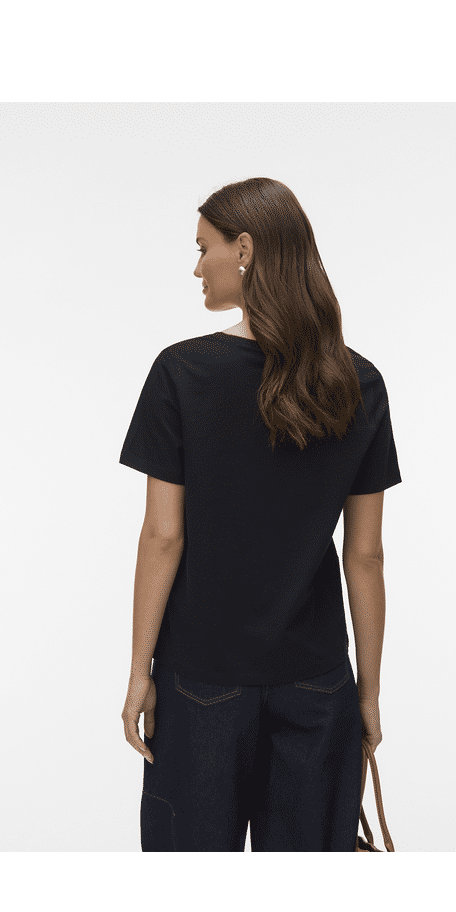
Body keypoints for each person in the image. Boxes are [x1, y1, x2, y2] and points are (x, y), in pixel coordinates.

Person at [119, 177, 401, 851]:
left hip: (199, 681)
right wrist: (367, 693)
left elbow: (163, 536)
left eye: (203, 248)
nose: (197, 268)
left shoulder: (182, 373)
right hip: (317, 685)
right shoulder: (358, 383)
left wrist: (138, 673)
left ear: (243, 249)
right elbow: (365, 556)